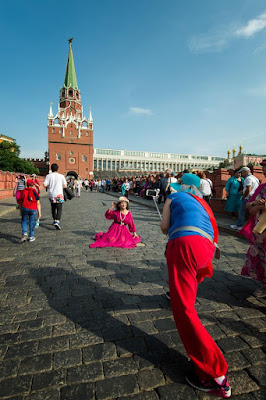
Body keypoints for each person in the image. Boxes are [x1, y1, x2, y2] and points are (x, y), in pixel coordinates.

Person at [160, 173, 231, 398]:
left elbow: (164, 228)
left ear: (181, 186)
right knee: (186, 297)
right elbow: (214, 231)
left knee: (184, 310)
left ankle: (214, 374)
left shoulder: (174, 197)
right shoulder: (204, 203)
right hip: (205, 248)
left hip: (185, 246)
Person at [240, 159, 266, 298]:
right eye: (263, 170)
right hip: (260, 232)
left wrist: (262, 206)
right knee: (262, 259)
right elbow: (249, 208)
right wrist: (256, 204)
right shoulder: (262, 188)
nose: (264, 172)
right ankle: (264, 286)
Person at [43, 163, 67, 230]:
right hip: (59, 194)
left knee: (53, 208)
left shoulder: (48, 176)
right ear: (57, 168)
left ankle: (54, 219)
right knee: (59, 208)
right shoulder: (61, 176)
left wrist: (50, 186)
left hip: (51, 194)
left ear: (51, 168)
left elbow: (44, 185)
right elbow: (65, 186)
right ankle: (57, 221)